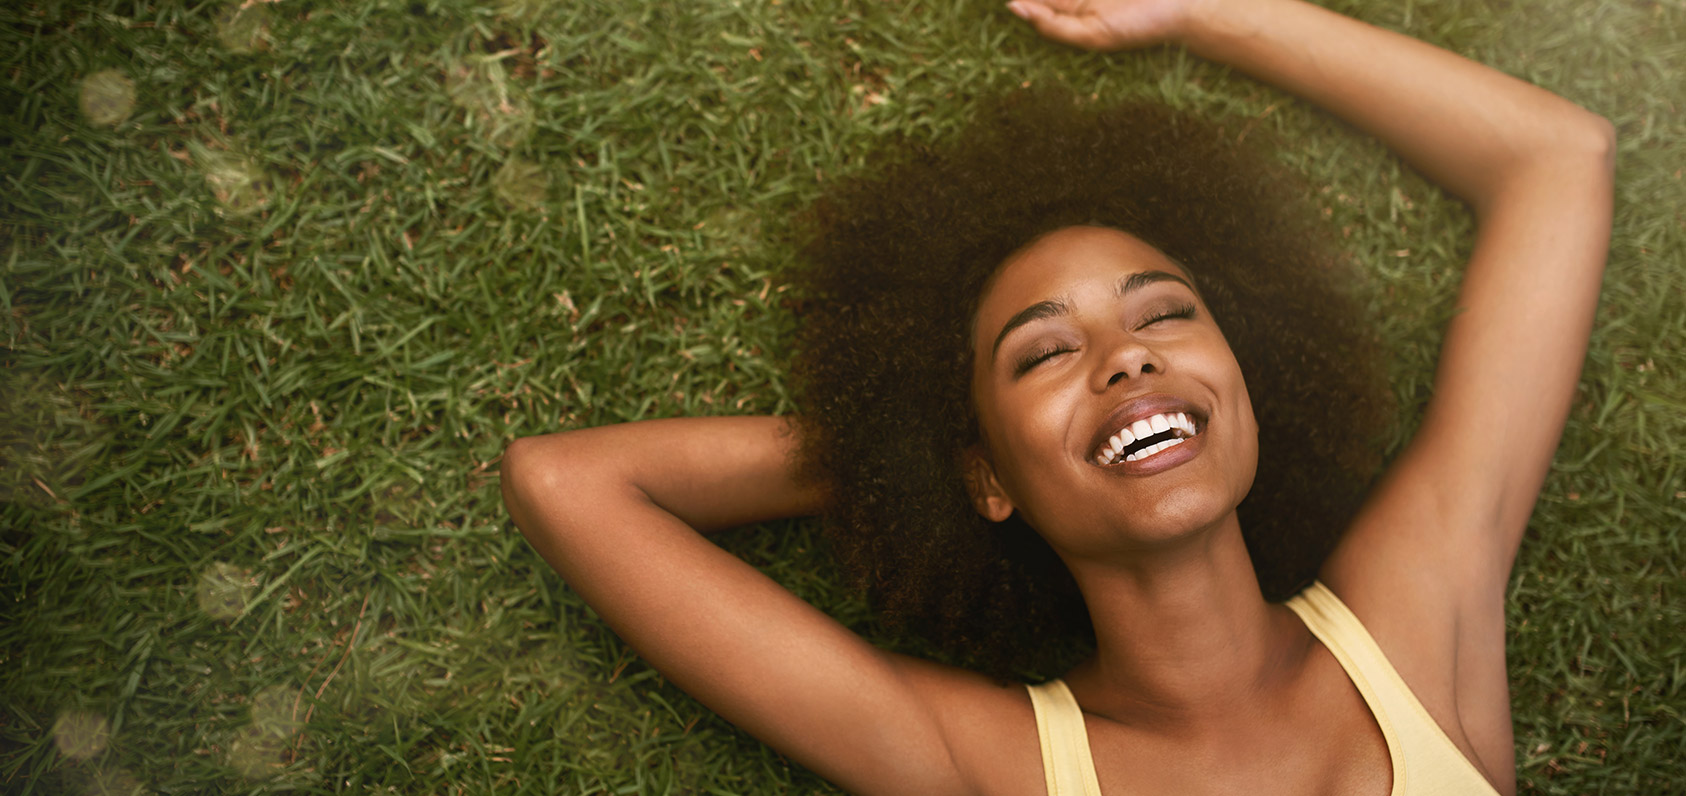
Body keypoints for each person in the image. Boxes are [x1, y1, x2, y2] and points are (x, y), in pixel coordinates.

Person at [500, 0, 1613, 793]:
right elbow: (569, 483)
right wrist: (917, 452)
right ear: (984, 474)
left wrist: (1203, 9)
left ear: (1252, 392)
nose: (1126, 359)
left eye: (1164, 313)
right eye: (1043, 355)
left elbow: (1557, 156)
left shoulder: (1418, 629)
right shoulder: (996, 767)